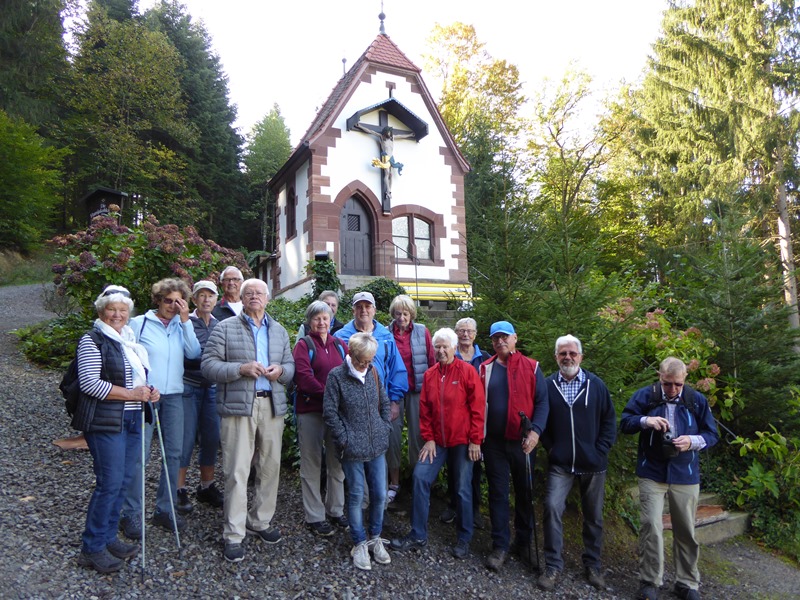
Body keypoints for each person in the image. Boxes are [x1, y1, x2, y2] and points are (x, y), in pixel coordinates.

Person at [201, 278, 295, 563]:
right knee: (237, 470)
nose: (255, 296)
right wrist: (240, 368)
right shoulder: (225, 327)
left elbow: (290, 367)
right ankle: (233, 532)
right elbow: (208, 366)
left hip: (271, 406)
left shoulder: (278, 330)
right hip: (238, 408)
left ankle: (260, 520)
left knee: (270, 468)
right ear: (241, 299)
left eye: (259, 293)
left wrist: (281, 371)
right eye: (249, 293)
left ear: (267, 298)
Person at [73, 285, 160, 573]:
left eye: (123, 310)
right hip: (106, 421)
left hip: (133, 417)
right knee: (109, 483)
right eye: (112, 309)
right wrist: (131, 394)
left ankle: (108, 537)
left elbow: (135, 380)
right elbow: (90, 384)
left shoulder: (129, 341)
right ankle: (92, 548)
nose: (117, 314)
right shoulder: (92, 340)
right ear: (101, 311)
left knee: (122, 481)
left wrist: (149, 391)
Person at [621, 357, 719, 600]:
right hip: (652, 471)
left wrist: (691, 441)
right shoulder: (646, 396)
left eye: (677, 384)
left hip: (685, 473)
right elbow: (625, 422)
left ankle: (687, 583)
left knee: (685, 528)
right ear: (660, 377)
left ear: (685, 379)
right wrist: (646, 421)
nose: (672, 389)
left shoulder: (696, 400)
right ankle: (650, 581)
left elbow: (712, 434)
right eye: (667, 384)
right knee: (651, 526)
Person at [390, 328, 485, 559]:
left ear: (454, 348)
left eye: (445, 346)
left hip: (462, 441)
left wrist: (475, 440)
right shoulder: (430, 374)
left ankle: (464, 537)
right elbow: (424, 411)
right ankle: (418, 534)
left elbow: (478, 407)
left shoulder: (467, 371)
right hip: (437, 442)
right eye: (438, 347)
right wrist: (429, 438)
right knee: (420, 477)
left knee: (462, 488)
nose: (441, 351)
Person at [118, 278, 200, 538]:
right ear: (158, 300)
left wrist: (185, 321)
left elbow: (194, 353)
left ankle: (165, 509)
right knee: (139, 455)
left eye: (178, 301)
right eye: (168, 300)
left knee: (174, 453)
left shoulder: (181, 324)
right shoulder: (140, 323)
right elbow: (125, 356)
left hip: (174, 394)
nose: (172, 306)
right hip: (145, 396)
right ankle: (130, 512)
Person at [538, 335, 616, 592]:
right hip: (561, 464)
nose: (568, 357)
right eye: (563, 353)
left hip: (593, 464)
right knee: (552, 507)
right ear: (556, 357)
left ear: (581, 356)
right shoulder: (548, 385)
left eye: (572, 353)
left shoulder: (596, 385)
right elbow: (541, 422)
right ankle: (553, 565)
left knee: (593, 516)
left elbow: (609, 421)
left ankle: (593, 565)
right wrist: (551, 449)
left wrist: (600, 451)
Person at [480, 320, 549, 572]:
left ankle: (524, 543)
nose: (500, 341)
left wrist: (536, 432)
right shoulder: (485, 368)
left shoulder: (532, 367)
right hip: (494, 443)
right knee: (498, 493)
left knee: (524, 492)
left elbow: (542, 403)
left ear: (515, 338)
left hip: (523, 442)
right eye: (496, 338)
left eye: (505, 337)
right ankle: (500, 545)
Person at [323, 332, 392, 571]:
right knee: (356, 495)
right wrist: (344, 439)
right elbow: (330, 412)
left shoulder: (373, 372)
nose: (366, 365)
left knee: (380, 494)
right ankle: (359, 542)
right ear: (351, 354)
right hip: (352, 448)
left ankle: (375, 537)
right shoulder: (336, 376)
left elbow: (384, 402)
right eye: (362, 361)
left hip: (377, 445)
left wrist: (385, 427)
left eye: (369, 360)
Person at [334, 291, 408, 504]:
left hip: (380, 405)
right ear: (353, 310)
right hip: (352, 407)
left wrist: (394, 401)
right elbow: (337, 373)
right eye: (359, 306)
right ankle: (361, 503)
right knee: (356, 453)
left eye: (368, 306)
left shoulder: (385, 336)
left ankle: (379, 504)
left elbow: (397, 370)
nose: (363, 310)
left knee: (379, 452)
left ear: (374, 310)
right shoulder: (341, 336)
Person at [293, 300, 348, 536]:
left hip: (336, 414)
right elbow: (304, 378)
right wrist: (330, 396)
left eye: (325, 318)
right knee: (312, 463)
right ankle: (314, 515)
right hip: (311, 411)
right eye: (317, 318)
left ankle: (335, 509)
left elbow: (348, 374)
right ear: (310, 321)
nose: (322, 322)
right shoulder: (303, 346)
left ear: (331, 320)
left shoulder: (340, 345)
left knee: (337, 462)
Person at [176, 280, 224, 515]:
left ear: (216, 299)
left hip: (212, 387)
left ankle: (206, 485)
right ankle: (179, 488)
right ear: (194, 299)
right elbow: (185, 353)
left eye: (210, 295)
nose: (206, 300)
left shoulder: (219, 325)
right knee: (185, 439)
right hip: (189, 386)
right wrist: (207, 360)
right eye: (201, 295)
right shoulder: (184, 321)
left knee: (212, 437)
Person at [440, 317, 491, 526]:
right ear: (456, 333)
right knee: (454, 465)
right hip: (455, 421)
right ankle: (453, 505)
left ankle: (474, 509)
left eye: (470, 331)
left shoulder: (485, 358)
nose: (465, 334)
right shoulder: (450, 354)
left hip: (478, 418)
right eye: (461, 330)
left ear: (475, 334)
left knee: (475, 464)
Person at [386, 294, 434, 507]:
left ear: (412, 314)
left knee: (418, 436)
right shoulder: (385, 333)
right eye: (398, 313)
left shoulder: (422, 332)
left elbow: (431, 362)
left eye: (405, 313)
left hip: (418, 391)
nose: (402, 318)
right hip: (394, 394)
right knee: (392, 437)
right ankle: (394, 483)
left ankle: (419, 482)